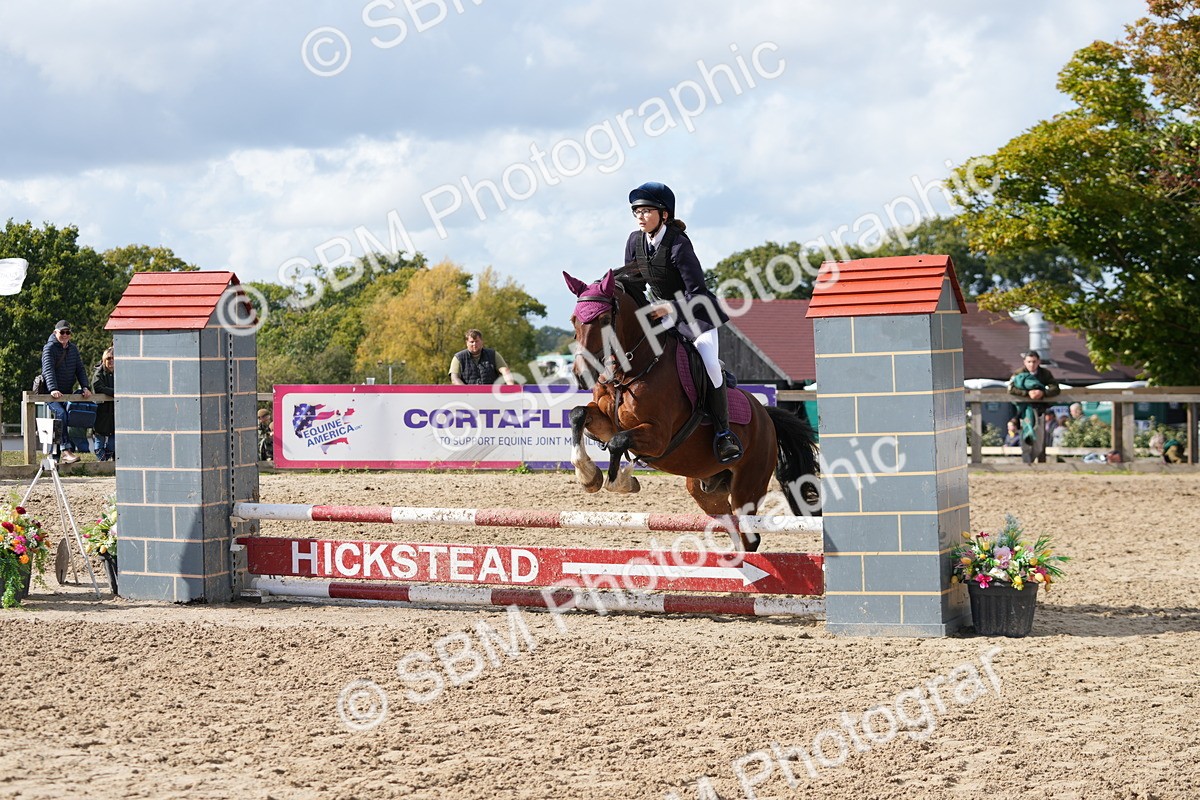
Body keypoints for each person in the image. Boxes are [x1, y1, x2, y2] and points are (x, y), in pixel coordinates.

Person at [623, 181, 741, 463]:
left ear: (664, 214)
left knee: (710, 364)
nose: (640, 216)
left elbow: (698, 293)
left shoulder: (678, 244)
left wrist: (669, 307)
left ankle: (724, 434)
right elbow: (631, 283)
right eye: (636, 211)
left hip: (696, 315)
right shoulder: (634, 241)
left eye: (646, 211)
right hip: (662, 315)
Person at [41, 320, 91, 463]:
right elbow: (48, 370)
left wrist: (85, 386)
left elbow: (80, 369)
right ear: (55, 332)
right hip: (50, 392)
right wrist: (53, 389)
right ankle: (66, 450)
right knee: (61, 414)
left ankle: (54, 455)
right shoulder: (49, 348)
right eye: (62, 332)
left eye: (67, 332)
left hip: (66, 392)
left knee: (64, 418)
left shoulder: (73, 349)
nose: (65, 335)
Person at [1008, 349, 1060, 464]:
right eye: (1029, 361)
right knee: (1025, 440)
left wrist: (1043, 393)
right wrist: (1027, 393)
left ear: (1038, 362)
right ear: (1024, 362)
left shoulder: (1045, 373)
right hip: (1024, 411)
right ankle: (1026, 465)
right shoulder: (1018, 373)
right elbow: (1011, 388)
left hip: (1039, 410)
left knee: (1038, 445)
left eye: (1034, 361)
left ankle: (1031, 462)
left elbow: (1055, 388)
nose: (1032, 364)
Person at [449, 330, 517, 386]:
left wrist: (510, 387)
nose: (474, 344)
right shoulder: (458, 358)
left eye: (477, 341)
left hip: (492, 396)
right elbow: (454, 378)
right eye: (472, 342)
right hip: (468, 397)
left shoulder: (493, 354)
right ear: (467, 343)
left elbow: (505, 371)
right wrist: (466, 391)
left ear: (482, 342)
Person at [90, 347, 116, 461]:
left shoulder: (120, 372)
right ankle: (102, 463)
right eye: (108, 358)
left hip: (114, 411)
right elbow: (98, 387)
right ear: (104, 359)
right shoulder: (98, 373)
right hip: (101, 411)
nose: (111, 361)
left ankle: (107, 462)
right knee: (99, 441)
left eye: (113, 358)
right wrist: (114, 392)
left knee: (113, 442)